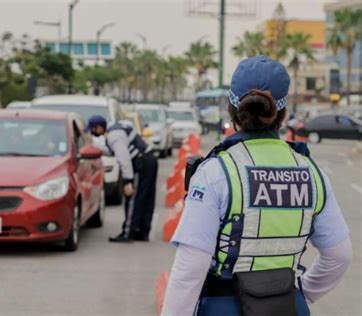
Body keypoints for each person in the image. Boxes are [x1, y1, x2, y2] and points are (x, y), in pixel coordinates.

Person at [161, 56, 352, 316]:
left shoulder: (217, 172)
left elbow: (190, 268)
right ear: (282, 114)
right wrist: (303, 292)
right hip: (287, 306)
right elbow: (339, 255)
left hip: (224, 306)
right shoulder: (311, 173)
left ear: (232, 108)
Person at [87, 115, 158, 242]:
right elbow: (114, 151)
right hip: (149, 159)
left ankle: (128, 233)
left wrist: (127, 181)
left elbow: (124, 159)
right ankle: (142, 231)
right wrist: (96, 148)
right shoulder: (116, 129)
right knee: (146, 198)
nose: (93, 133)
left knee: (132, 198)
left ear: (99, 128)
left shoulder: (114, 135)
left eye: (93, 130)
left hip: (141, 163)